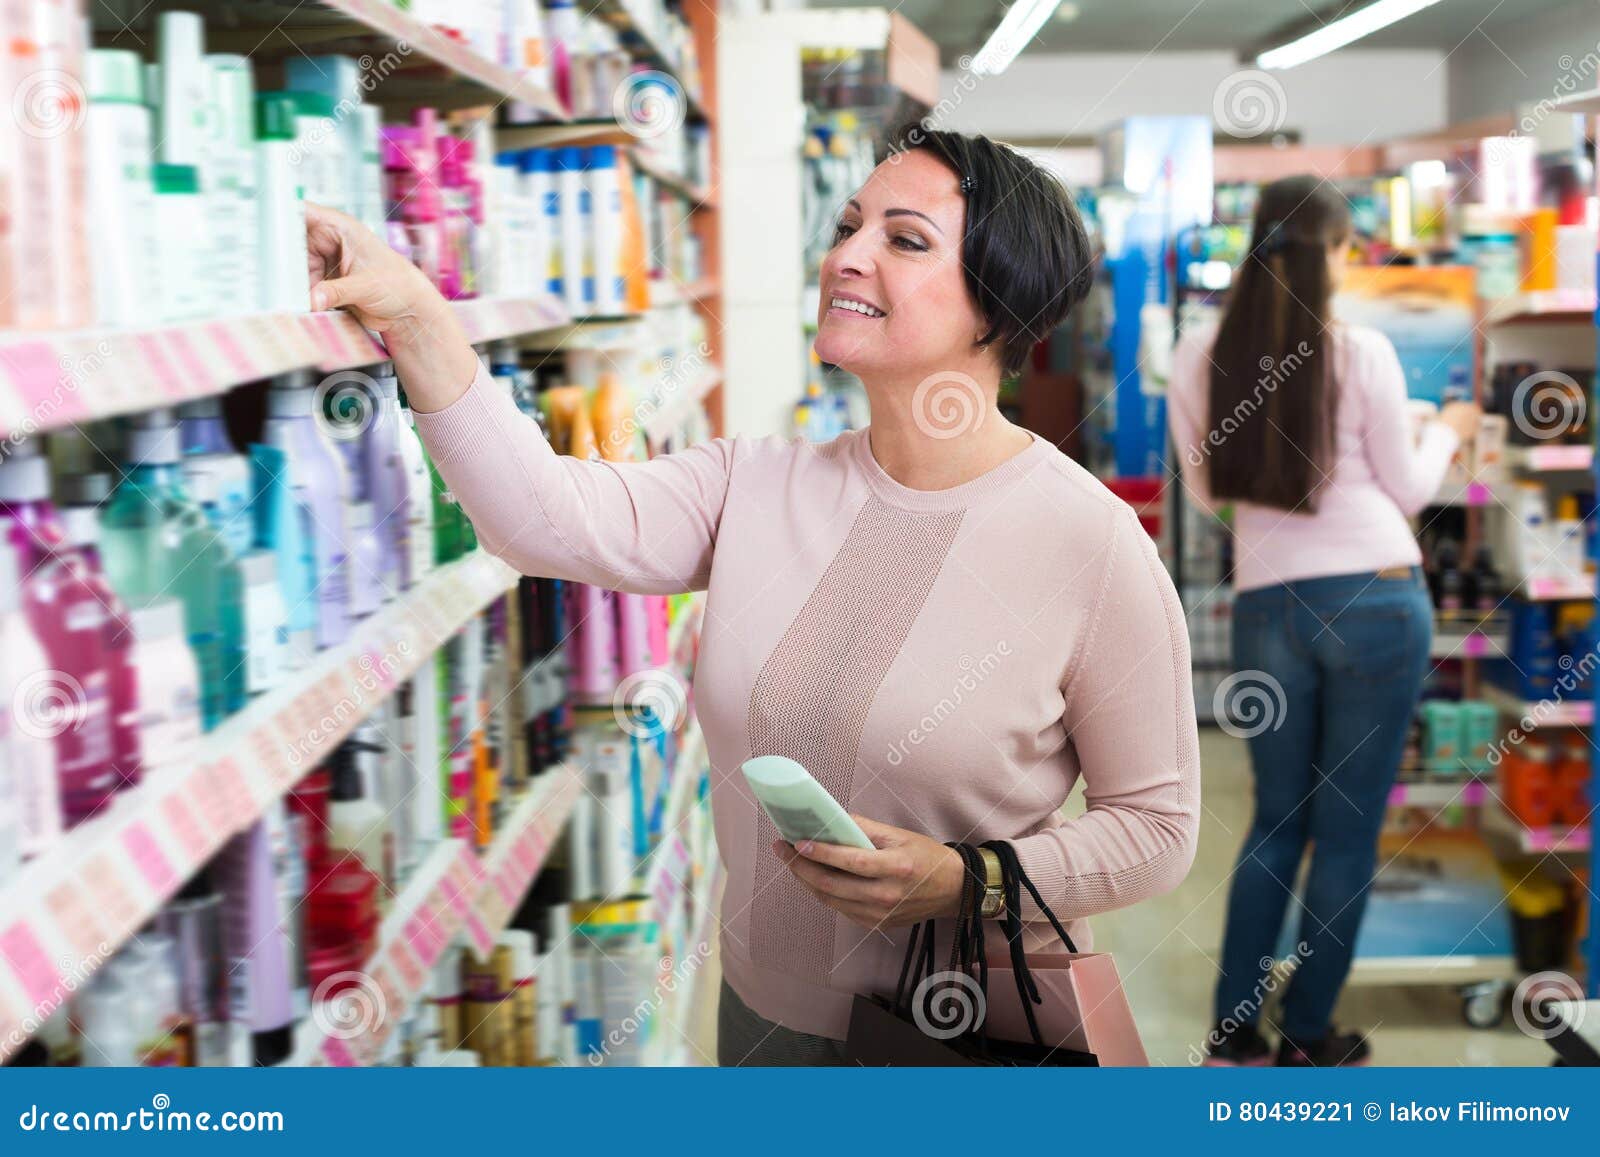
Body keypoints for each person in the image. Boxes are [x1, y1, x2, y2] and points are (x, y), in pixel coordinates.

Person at [305, 125, 1200, 1066]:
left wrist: (964, 880)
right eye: (849, 225)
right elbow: (541, 517)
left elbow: (1161, 830)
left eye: (904, 240)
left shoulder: (1087, 541)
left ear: (998, 306)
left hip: (966, 1035)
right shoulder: (754, 484)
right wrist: (411, 311)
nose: (846, 255)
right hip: (761, 1022)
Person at [1167, 175, 1481, 1067]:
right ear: (1333, 254)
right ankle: (1307, 1033)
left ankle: (1234, 1035)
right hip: (1379, 599)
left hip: (1268, 603)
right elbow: (1412, 488)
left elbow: (1207, 487)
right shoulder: (1363, 351)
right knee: (1345, 830)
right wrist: (1448, 426)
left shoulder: (1201, 353)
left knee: (1275, 820)